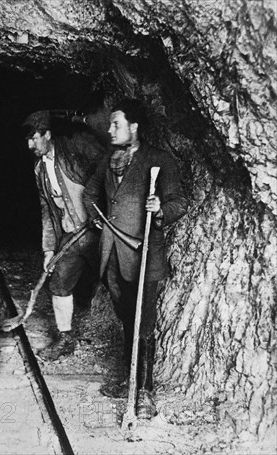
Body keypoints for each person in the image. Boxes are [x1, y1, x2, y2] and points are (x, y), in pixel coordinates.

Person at [83, 99, 189, 418]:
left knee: (143, 323)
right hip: (110, 254)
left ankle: (144, 391)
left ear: (134, 127)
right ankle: (130, 378)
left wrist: (160, 210)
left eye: (116, 124)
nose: (110, 129)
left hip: (143, 253)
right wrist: (97, 217)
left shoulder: (159, 159)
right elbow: (90, 195)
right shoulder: (108, 159)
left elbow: (179, 201)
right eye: (111, 124)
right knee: (127, 317)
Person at [22, 110, 106, 361]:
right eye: (27, 140)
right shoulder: (39, 170)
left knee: (114, 283)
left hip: (96, 231)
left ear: (47, 134)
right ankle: (65, 338)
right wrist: (48, 249)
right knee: (59, 283)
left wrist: (102, 210)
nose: (30, 145)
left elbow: (106, 169)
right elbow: (47, 211)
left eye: (34, 138)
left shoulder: (74, 148)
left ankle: (129, 339)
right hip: (70, 236)